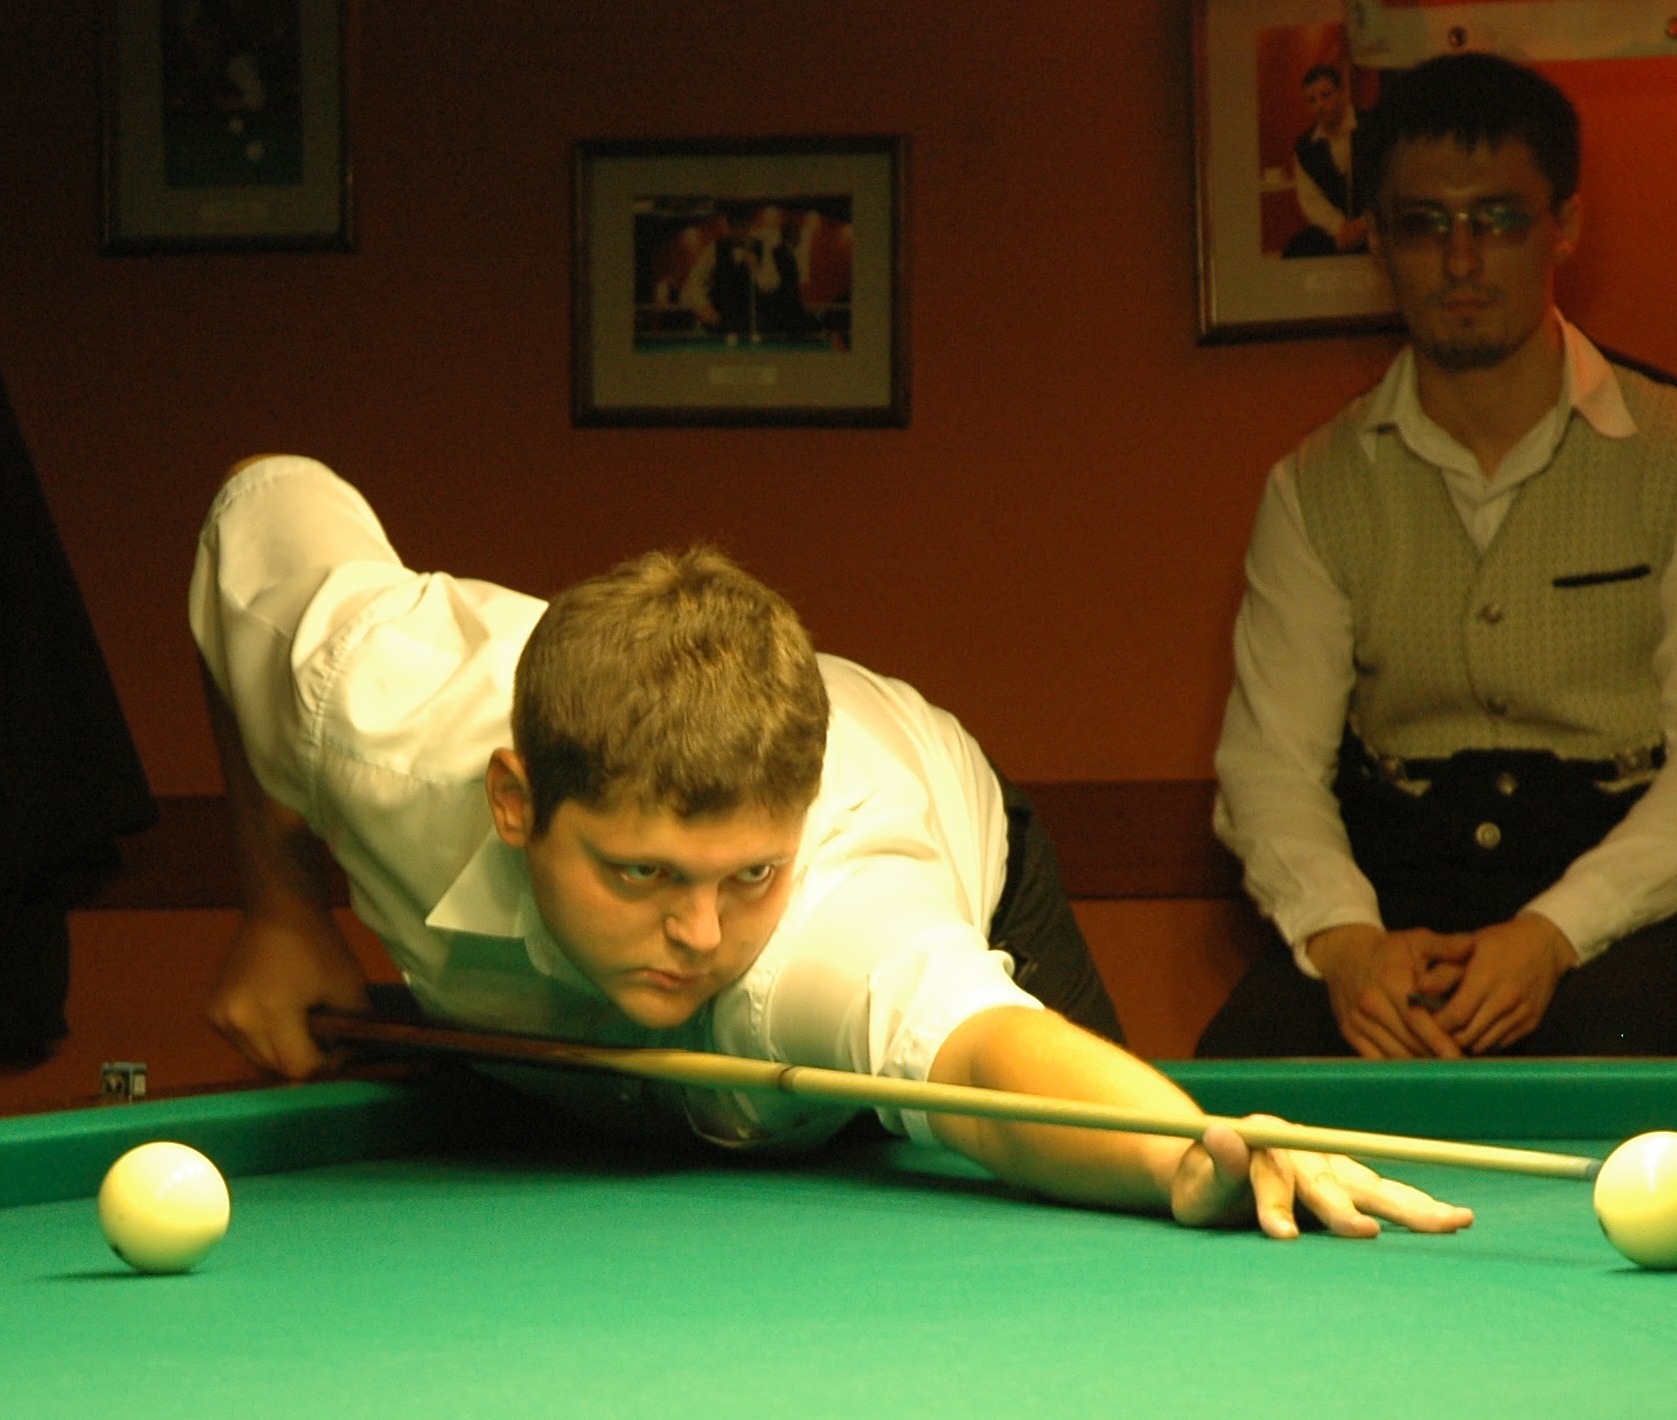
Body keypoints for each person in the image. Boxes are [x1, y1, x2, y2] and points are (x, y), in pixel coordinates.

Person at [191, 455, 1471, 1239]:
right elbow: (261, 511)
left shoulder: (836, 917)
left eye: (746, 873)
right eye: (640, 873)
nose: (701, 935)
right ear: (514, 800)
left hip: (960, 846)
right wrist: (281, 903)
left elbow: (989, 1059)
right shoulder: (377, 705)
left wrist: (1192, 1151)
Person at [1198, 52, 1677, 1061]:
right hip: (1394, 896)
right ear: (1376, 239)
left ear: (1564, 225)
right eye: (1423, 224)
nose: (1462, 260)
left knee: (1613, 1063)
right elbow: (1270, 767)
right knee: (1236, 1080)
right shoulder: (1312, 485)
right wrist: (1344, 942)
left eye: (1499, 219)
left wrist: (1554, 933)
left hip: (1629, 903)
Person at [1283, 62, 1369, 258]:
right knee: (1294, 251)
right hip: (1336, 232)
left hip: (1376, 225)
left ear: (1342, 94)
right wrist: (1340, 228)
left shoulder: (1372, 128)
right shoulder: (1306, 147)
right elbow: (1311, 199)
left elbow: (1391, 183)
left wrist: (1364, 224)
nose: (1319, 105)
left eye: (1325, 95)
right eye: (1312, 100)